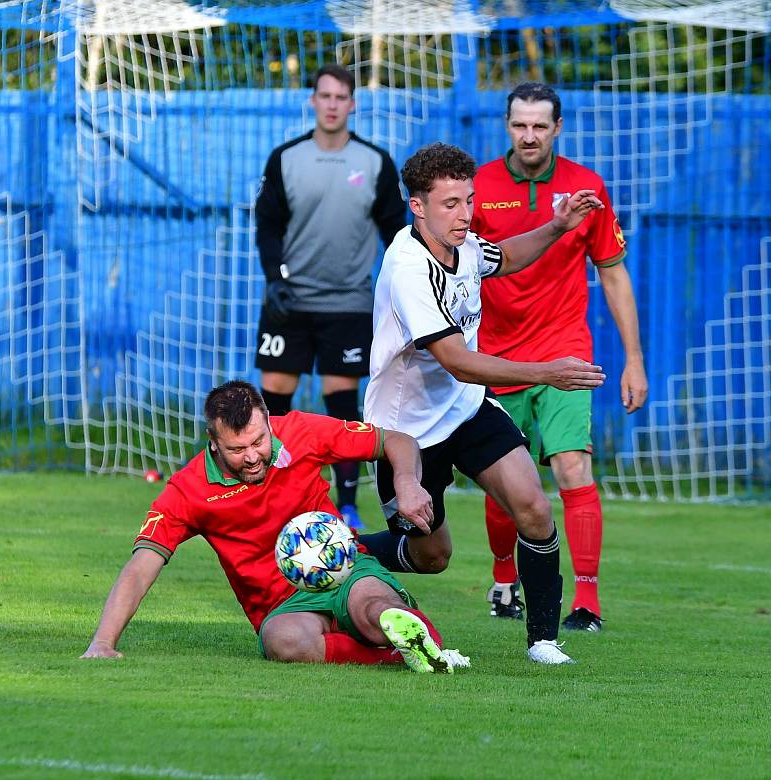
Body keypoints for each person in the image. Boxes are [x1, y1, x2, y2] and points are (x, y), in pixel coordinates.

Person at [359, 142, 606, 665]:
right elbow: (457, 359)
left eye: (469, 200)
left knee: (535, 508)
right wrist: (548, 372)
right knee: (433, 557)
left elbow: (507, 256)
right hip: (406, 432)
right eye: (450, 204)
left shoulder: (465, 244)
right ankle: (347, 550)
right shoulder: (407, 266)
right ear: (418, 205)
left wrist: (558, 226)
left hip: (465, 409)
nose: (465, 214)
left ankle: (542, 640)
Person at [80, 380, 468, 674]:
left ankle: (422, 643)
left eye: (258, 441)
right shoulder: (189, 490)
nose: (251, 457)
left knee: (374, 608)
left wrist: (406, 483)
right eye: (237, 449)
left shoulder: (301, 431)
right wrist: (102, 642)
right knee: (283, 641)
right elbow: (141, 565)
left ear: (268, 420)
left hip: (345, 569)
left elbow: (397, 441)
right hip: (282, 606)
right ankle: (398, 656)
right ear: (213, 443)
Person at [471, 82, 648, 632]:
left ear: (558, 128)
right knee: (506, 482)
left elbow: (613, 273)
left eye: (539, 126)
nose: (529, 136)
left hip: (565, 351)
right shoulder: (479, 186)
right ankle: (505, 579)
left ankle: (588, 602)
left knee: (573, 466)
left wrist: (634, 359)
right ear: (507, 126)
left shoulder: (585, 187)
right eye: (520, 125)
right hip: (497, 359)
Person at [254, 63, 406, 530]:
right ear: (313, 101)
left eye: (342, 97)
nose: (333, 104)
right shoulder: (286, 158)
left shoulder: (375, 162)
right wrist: (275, 277)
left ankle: (346, 506)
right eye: (325, 96)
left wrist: (399, 289)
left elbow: (396, 233)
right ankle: (266, 499)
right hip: (290, 302)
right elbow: (268, 227)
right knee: (275, 400)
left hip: (348, 305)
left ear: (352, 103)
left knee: (341, 405)